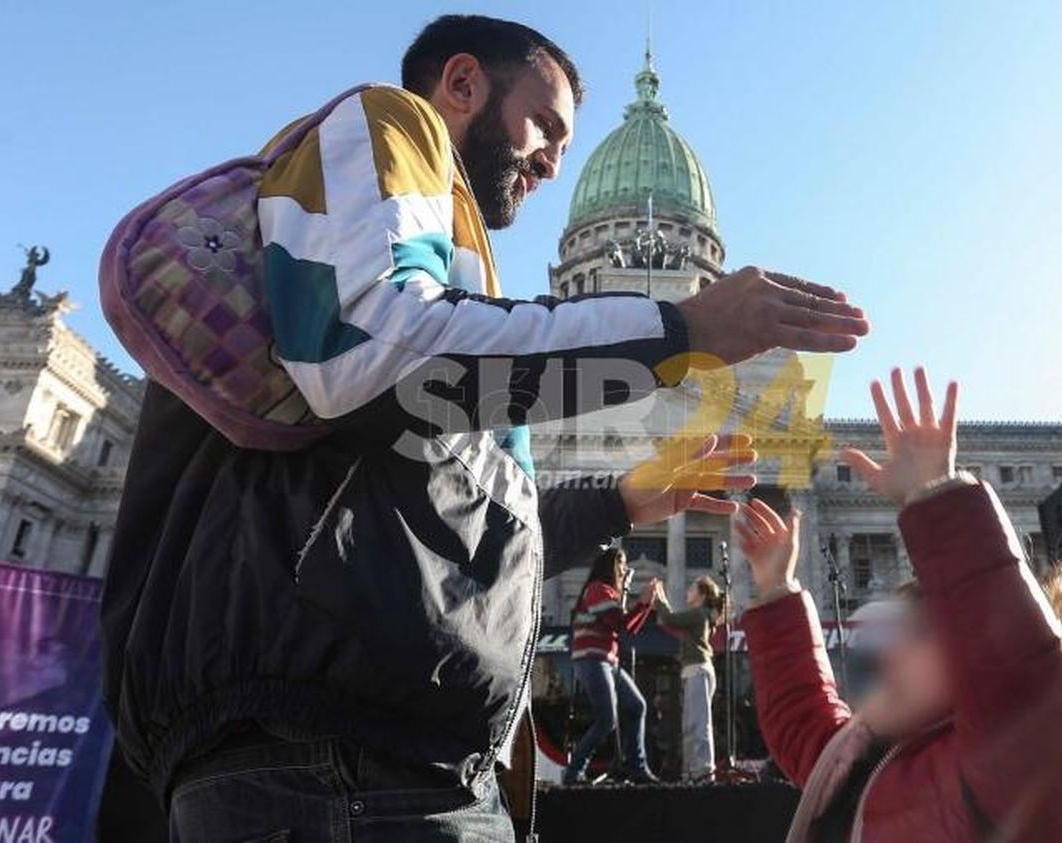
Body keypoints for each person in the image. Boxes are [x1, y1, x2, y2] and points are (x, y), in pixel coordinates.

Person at [100, 13, 865, 840]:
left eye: (568, 150)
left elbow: (462, 520)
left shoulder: (456, 282)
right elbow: (372, 351)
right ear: (462, 82)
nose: (551, 158)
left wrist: (617, 501)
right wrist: (679, 332)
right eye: (545, 124)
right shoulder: (391, 125)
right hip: (331, 751)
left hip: (404, 752)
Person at [735, 368, 1062, 842]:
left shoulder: (1036, 773)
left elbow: (1021, 677)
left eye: (917, 633)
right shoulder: (876, 764)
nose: (887, 650)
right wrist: (775, 590)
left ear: (978, 652)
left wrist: (934, 497)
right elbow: (804, 722)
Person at [564, 548, 660, 784]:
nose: (625, 569)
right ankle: (574, 772)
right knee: (607, 720)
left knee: (637, 706)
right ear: (611, 566)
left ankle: (637, 766)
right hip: (592, 660)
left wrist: (646, 606)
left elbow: (627, 628)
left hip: (607, 661)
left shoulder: (607, 593)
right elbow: (619, 623)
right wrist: (642, 603)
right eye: (622, 563)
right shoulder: (597, 590)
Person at [655, 575, 725, 781]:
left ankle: (702, 772)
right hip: (693, 672)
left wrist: (659, 598)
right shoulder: (700, 615)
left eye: (691, 588)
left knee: (698, 725)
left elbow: (669, 619)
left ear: (701, 595)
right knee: (690, 726)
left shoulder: (698, 614)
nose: (687, 592)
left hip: (698, 671)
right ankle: (691, 771)